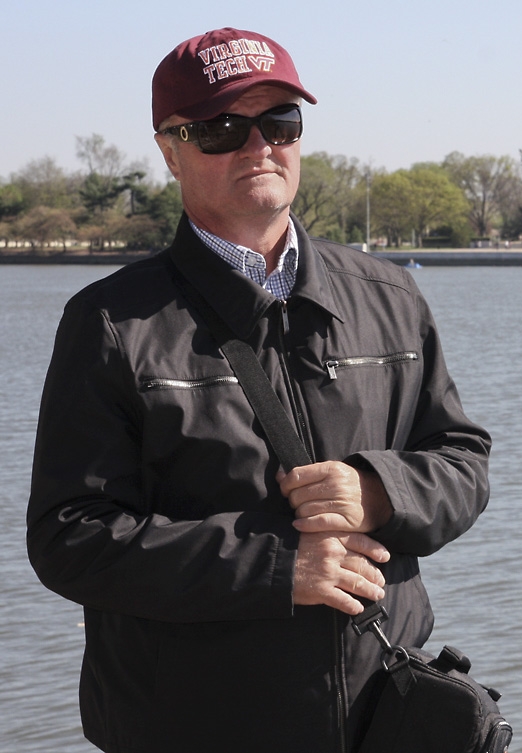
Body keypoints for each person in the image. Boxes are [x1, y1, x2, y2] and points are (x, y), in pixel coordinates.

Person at [25, 28, 491, 753]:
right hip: (194, 727)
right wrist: (277, 566)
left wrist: (381, 490)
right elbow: (69, 538)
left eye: (280, 122)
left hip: (385, 723)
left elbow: (463, 461)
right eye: (221, 128)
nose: (258, 146)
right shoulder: (110, 322)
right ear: (169, 149)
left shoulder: (391, 295)